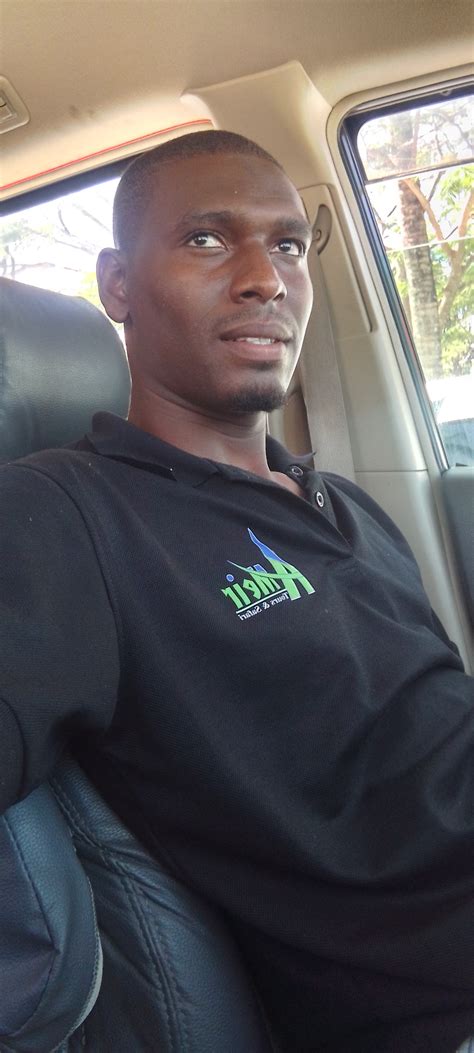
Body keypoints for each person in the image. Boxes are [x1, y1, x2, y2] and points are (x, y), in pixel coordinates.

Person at [1, 130, 473, 1053]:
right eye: (207, 239)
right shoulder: (64, 512)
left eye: (289, 244)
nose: (267, 279)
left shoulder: (350, 506)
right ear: (117, 285)